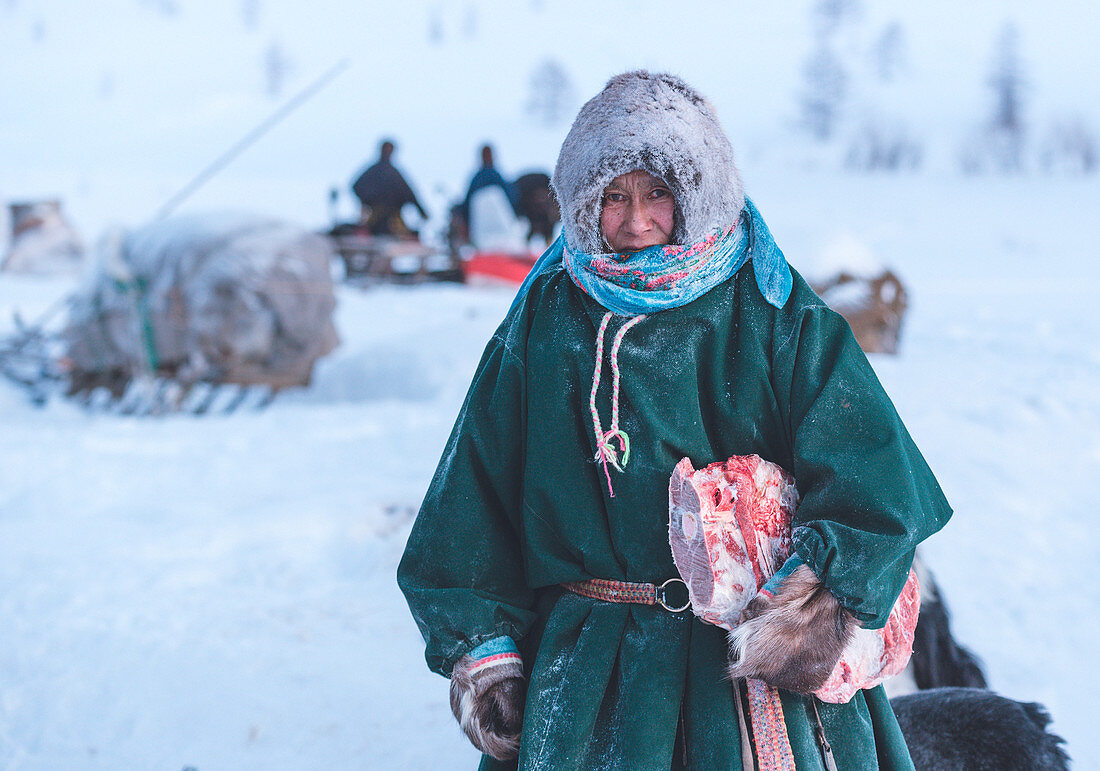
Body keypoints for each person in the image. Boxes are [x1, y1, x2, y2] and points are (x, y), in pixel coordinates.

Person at [398, 71, 952, 769]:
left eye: (659, 191)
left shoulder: (774, 310)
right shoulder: (546, 316)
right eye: (614, 197)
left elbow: (877, 481)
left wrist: (810, 606)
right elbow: (470, 496)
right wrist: (482, 645)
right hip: (587, 676)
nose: (636, 221)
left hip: (749, 666)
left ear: (699, 191)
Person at [349, 140, 428, 237]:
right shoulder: (376, 171)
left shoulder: (394, 174)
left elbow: (410, 194)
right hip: (375, 219)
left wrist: (422, 211)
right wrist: (368, 201)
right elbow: (356, 187)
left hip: (392, 220)